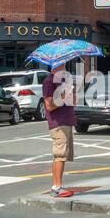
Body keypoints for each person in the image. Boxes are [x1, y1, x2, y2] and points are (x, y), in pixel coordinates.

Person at [45, 62, 76, 198]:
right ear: (54, 66)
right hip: (58, 123)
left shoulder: (64, 80)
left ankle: (57, 185)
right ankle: (56, 187)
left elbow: (73, 101)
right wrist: (64, 96)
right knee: (60, 155)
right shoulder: (48, 82)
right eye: (61, 64)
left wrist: (72, 93)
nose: (64, 66)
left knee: (61, 156)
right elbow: (49, 106)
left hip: (67, 121)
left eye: (64, 64)